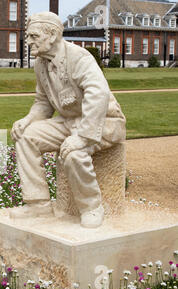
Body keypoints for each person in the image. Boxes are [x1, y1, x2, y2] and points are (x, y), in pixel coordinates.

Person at [10, 12, 126, 228]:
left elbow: (98, 94)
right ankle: (38, 204)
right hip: (69, 121)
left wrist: (83, 137)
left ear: (52, 35)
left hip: (104, 121)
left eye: (34, 36)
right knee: (25, 136)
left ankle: (92, 207)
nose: (28, 41)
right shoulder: (40, 63)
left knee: (73, 153)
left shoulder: (79, 57)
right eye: (28, 36)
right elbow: (43, 103)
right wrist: (27, 120)